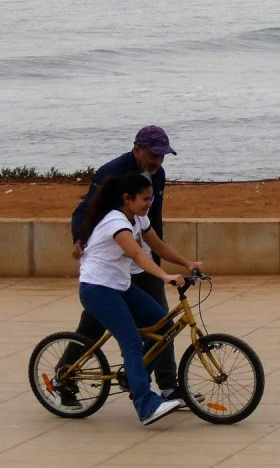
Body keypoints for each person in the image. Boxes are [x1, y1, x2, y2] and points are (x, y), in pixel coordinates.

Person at [74, 172, 200, 424]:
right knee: (131, 341)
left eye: (151, 198)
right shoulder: (115, 222)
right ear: (127, 198)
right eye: (145, 199)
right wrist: (165, 276)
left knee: (164, 326)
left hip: (119, 286)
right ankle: (146, 405)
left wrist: (188, 264)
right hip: (97, 289)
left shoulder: (138, 219)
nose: (149, 204)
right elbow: (136, 254)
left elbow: (158, 247)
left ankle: (135, 378)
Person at [68, 126, 179, 397]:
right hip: (112, 267)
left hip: (143, 261)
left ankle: (168, 387)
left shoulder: (158, 175)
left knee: (162, 324)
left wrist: (159, 255)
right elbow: (86, 209)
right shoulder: (112, 171)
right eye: (154, 155)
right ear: (137, 149)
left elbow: (154, 219)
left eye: (163, 156)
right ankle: (65, 374)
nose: (158, 162)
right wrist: (79, 238)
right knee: (92, 327)